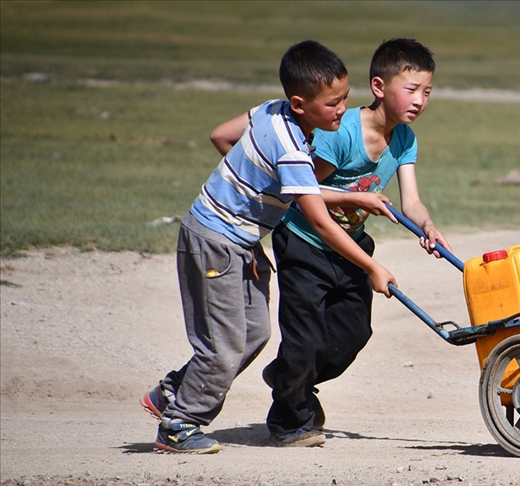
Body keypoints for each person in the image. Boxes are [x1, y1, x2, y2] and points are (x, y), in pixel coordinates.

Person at [138, 40, 396, 454]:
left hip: (237, 240)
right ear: (300, 103)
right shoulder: (293, 149)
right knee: (222, 346)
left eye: (345, 97)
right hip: (214, 243)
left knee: (254, 334)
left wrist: (250, 212)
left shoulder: (268, 110)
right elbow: (318, 221)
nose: (342, 110)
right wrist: (371, 266)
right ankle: (180, 423)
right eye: (332, 103)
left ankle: (173, 391)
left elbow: (221, 136)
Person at [260, 38, 451, 448]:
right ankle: (289, 418)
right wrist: (355, 197)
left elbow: (411, 202)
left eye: (428, 92)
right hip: (305, 242)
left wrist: (427, 226)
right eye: (411, 89)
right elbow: (301, 189)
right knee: (305, 339)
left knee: (353, 335)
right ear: (380, 87)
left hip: (351, 247)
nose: (420, 100)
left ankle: (288, 377)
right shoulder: (342, 135)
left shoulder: (404, 140)